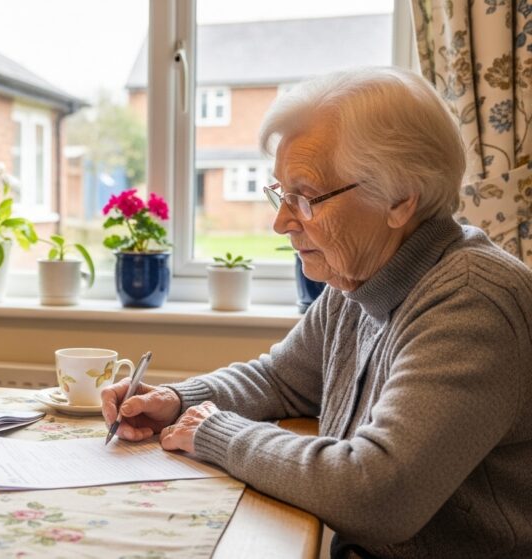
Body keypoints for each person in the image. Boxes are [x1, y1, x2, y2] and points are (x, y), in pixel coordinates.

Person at [103, 67, 532, 558]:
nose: (281, 222)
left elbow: (378, 493)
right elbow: (283, 380)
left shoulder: (472, 302)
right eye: (281, 194)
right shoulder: (360, 277)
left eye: (305, 197)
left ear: (400, 199)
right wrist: (179, 399)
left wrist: (217, 432)